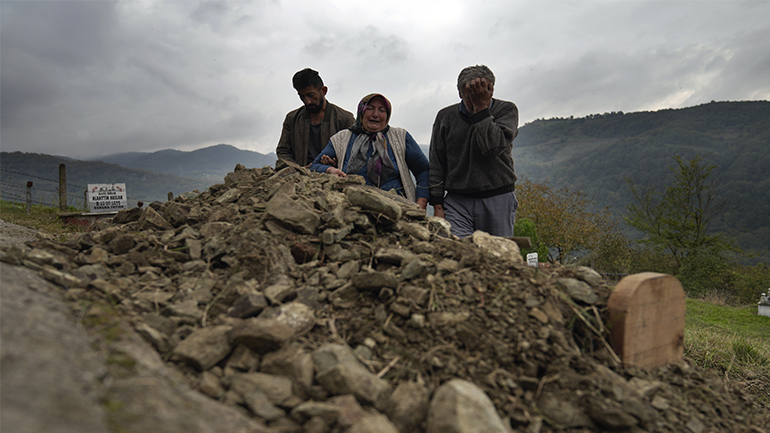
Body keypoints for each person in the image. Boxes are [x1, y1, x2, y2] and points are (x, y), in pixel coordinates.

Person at [428, 65, 519, 238]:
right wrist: (438, 205)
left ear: (491, 89)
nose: (478, 97)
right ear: (460, 93)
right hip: (458, 201)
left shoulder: (506, 110)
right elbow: (437, 163)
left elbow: (492, 147)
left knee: (497, 252)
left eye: (484, 91)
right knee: (457, 248)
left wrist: (480, 109)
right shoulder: (445, 117)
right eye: (471, 95)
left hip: (498, 197)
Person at [310, 93, 430, 209]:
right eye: (370, 108)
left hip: (397, 208)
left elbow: (423, 170)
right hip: (352, 208)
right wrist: (330, 170)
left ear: (387, 116)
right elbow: (315, 166)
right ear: (361, 112)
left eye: (382, 110)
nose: (375, 114)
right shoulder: (341, 139)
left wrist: (421, 203)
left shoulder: (401, 137)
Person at [276, 68, 355, 167]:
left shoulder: (345, 119)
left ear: (323, 91)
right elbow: (283, 151)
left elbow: (355, 153)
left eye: (311, 95)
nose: (307, 101)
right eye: (302, 96)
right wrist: (298, 169)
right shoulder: (292, 119)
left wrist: (336, 163)